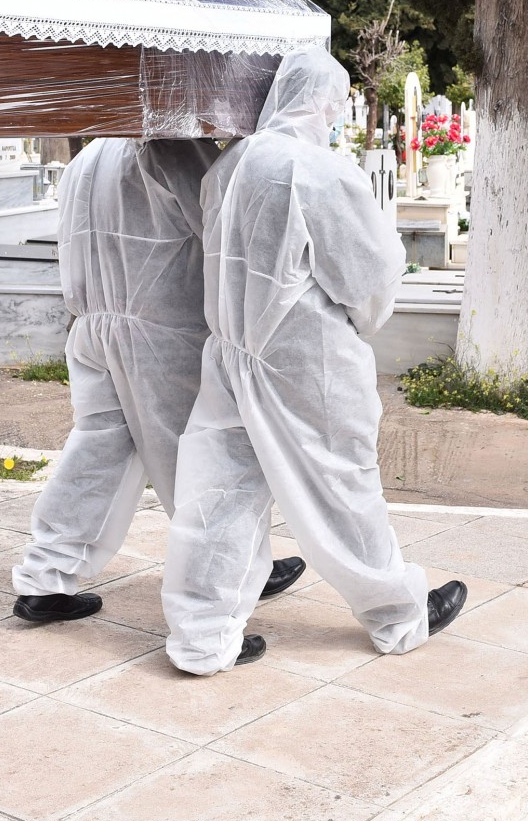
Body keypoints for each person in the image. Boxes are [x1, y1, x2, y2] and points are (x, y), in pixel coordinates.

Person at [161, 48, 466, 674]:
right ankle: (397, 616)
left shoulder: (229, 167)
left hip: (230, 355)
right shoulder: (318, 172)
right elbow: (371, 275)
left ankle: (201, 635)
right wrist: (359, 323)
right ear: (323, 100)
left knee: (219, 494)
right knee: (343, 486)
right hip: (305, 361)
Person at [11, 137, 305, 622]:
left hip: (93, 324)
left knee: (96, 451)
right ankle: (225, 578)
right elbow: (226, 230)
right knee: (202, 460)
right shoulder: (173, 149)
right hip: (162, 332)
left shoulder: (87, 157)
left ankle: (46, 576)